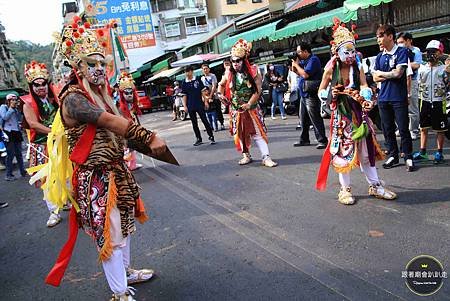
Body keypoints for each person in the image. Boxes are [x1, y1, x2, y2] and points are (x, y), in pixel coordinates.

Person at [41, 18, 168, 301]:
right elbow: (108, 121)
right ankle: (119, 292)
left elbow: (117, 126)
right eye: (92, 64)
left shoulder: (102, 96)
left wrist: (140, 145)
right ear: (79, 68)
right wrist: (147, 137)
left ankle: (126, 273)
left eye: (102, 64)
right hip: (95, 177)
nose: (99, 69)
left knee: (125, 226)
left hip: (116, 171)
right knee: (111, 236)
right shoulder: (73, 98)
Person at [316, 21, 396, 205]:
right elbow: (321, 91)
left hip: (359, 114)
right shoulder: (330, 69)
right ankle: (345, 190)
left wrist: (366, 97)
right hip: (341, 117)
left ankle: (375, 185)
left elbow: (364, 84)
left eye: (353, 51)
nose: (351, 55)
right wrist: (332, 94)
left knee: (366, 151)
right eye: (347, 52)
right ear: (337, 51)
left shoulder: (357, 66)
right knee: (344, 152)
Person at [217, 39, 278, 167]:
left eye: (237, 61)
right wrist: (220, 95)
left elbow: (257, 91)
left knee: (258, 133)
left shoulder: (254, 71)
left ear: (244, 60)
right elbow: (221, 85)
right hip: (236, 109)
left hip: (251, 109)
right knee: (239, 133)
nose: (235, 64)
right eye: (233, 61)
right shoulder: (228, 73)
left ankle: (266, 157)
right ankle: (246, 155)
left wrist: (249, 104)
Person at [22, 61, 62, 227]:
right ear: (31, 86)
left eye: (43, 84)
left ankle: (63, 200)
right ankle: (53, 211)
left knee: (64, 174)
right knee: (45, 179)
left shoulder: (55, 98)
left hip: (59, 142)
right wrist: (52, 131)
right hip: (41, 146)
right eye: (36, 85)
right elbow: (33, 124)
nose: (40, 87)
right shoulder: (28, 104)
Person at [373, 24, 415, 172]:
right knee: (387, 128)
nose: (378, 39)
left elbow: (399, 73)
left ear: (390, 36)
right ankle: (393, 155)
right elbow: (375, 78)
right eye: (377, 37)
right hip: (383, 98)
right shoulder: (379, 56)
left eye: (380, 36)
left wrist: (383, 74)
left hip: (398, 97)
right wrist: (388, 74)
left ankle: (408, 156)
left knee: (403, 128)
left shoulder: (402, 52)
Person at [413, 40, 448, 164]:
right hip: (425, 100)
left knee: (440, 129)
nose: (430, 54)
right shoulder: (422, 68)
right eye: (429, 52)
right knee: (423, 127)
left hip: (439, 101)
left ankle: (439, 152)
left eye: (434, 52)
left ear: (440, 53)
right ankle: (423, 152)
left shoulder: (444, 68)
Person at [292, 43, 328, 149]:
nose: (298, 54)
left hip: (311, 93)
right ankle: (304, 139)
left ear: (305, 51)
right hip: (304, 94)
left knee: (315, 118)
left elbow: (305, 74)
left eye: (299, 52)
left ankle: (322, 140)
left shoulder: (313, 60)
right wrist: (294, 65)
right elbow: (298, 73)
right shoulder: (304, 62)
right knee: (303, 119)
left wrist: (297, 65)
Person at [397, 32, 422, 140]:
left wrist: (403, 63)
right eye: (398, 42)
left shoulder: (415, 51)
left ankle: (414, 130)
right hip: (400, 81)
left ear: (409, 40)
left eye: (402, 42)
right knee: (399, 107)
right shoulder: (398, 52)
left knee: (412, 107)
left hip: (413, 80)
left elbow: (417, 64)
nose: (400, 44)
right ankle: (402, 128)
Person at [181, 65, 215, 146]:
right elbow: (184, 95)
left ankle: (211, 136)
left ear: (192, 71)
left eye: (188, 71)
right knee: (194, 123)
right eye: (186, 72)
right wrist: (185, 106)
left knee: (204, 120)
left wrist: (206, 102)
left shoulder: (198, 79)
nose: (187, 73)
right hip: (190, 105)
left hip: (199, 103)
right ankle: (198, 138)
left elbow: (203, 92)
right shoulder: (184, 82)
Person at [117, 72, 143, 171]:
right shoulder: (120, 107)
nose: (129, 95)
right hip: (125, 131)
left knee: (132, 147)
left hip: (133, 129)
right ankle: (128, 165)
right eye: (126, 93)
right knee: (127, 147)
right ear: (122, 94)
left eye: (131, 92)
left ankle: (132, 164)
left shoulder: (132, 105)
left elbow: (135, 117)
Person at [0, 94, 26, 180]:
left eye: (16, 99)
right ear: (8, 100)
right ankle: (9, 174)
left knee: (19, 153)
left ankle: (23, 171)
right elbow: (5, 117)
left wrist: (18, 109)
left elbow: (19, 118)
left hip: (16, 132)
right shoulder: (3, 107)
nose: (15, 101)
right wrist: (11, 108)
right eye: (13, 100)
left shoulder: (16, 108)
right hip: (8, 132)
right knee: (10, 154)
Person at [201, 63, 225, 129]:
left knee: (218, 109)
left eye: (206, 68)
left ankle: (222, 123)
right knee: (208, 110)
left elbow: (214, 86)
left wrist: (211, 96)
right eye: (204, 69)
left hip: (214, 95)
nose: (205, 70)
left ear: (209, 69)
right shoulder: (202, 78)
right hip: (206, 97)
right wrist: (205, 98)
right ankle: (211, 125)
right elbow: (202, 89)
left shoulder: (212, 76)